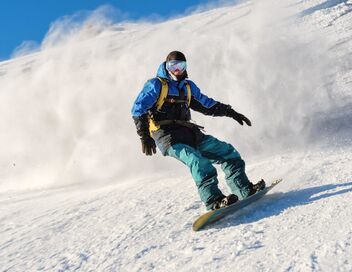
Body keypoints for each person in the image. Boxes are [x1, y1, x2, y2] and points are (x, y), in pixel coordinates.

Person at [131, 51, 265, 210]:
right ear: (166, 66)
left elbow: (207, 105)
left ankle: (244, 189)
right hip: (168, 137)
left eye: (181, 66)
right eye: (173, 66)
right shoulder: (156, 85)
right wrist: (144, 136)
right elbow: (138, 109)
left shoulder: (188, 87)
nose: (177, 70)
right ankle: (214, 201)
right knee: (198, 161)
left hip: (190, 133)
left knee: (228, 153)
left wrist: (230, 112)